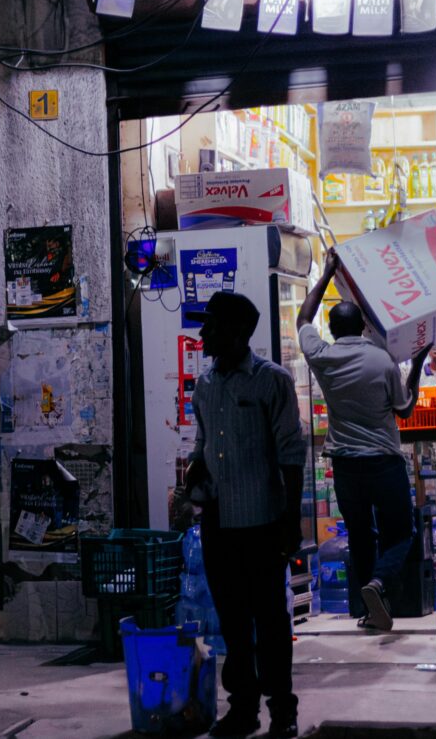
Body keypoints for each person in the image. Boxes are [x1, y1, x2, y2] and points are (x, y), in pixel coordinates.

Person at [184, 291, 305, 739]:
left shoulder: (270, 382)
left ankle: (282, 711)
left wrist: (291, 519)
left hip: (262, 522)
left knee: (270, 623)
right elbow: (202, 441)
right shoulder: (206, 385)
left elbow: (292, 453)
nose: (203, 333)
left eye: (212, 325)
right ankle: (242, 709)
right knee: (233, 624)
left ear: (237, 332)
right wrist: (196, 467)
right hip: (218, 522)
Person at [297, 248, 431, 631]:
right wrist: (417, 367)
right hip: (383, 461)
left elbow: (303, 317)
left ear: (334, 330)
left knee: (359, 535)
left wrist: (325, 275)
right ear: (361, 328)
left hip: (345, 465)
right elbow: (404, 411)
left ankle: (369, 609)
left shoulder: (322, 355)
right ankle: (378, 583)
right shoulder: (383, 360)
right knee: (402, 532)